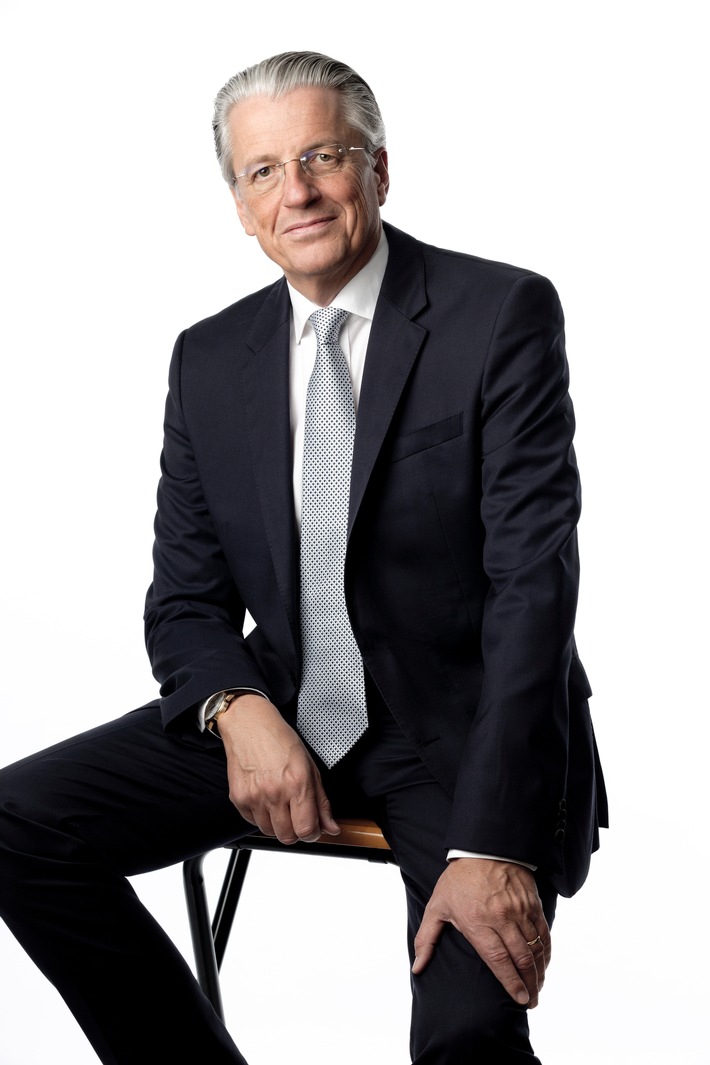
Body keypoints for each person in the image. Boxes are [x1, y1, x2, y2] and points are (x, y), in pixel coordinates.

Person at [0, 50, 607, 1064]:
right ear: (240, 205)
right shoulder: (208, 357)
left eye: (322, 156)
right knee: (17, 822)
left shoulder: (497, 314)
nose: (299, 192)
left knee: (467, 1040)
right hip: (285, 708)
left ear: (378, 169)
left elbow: (531, 592)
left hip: (462, 734)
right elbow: (185, 600)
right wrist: (237, 711)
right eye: (263, 171)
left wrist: (490, 842)